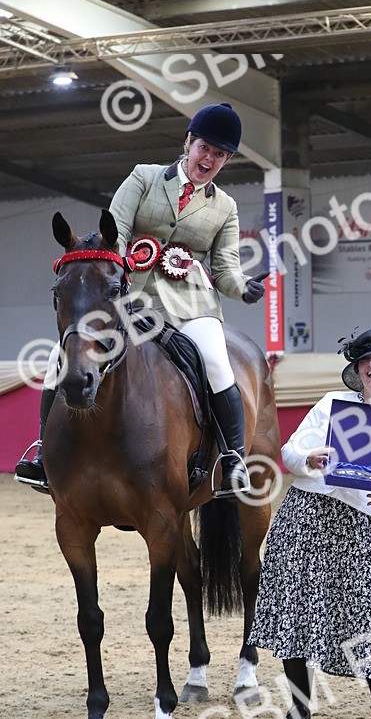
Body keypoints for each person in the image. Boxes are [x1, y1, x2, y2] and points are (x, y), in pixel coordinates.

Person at [15, 102, 266, 497]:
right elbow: (113, 234)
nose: (209, 159)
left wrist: (243, 288)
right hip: (128, 296)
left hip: (190, 302)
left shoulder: (225, 207)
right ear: (188, 142)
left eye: (220, 155)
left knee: (218, 362)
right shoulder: (144, 178)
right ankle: (44, 451)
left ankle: (232, 459)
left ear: (227, 160)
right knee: (60, 357)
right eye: (205, 148)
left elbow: (225, 269)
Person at [248, 328, 371, 719]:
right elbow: (289, 453)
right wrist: (309, 457)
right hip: (305, 515)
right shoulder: (332, 404)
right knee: (295, 609)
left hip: (364, 524)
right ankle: (298, 707)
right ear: (358, 371)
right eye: (365, 361)